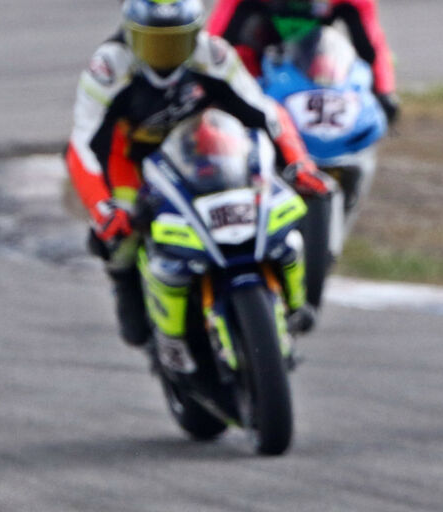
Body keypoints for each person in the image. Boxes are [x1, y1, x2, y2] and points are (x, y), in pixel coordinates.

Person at [68, 0, 332, 352]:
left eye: (176, 40)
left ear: (196, 33)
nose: (165, 53)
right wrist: (103, 207)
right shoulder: (108, 68)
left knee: (267, 195)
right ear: (131, 34)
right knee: (121, 236)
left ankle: (291, 302)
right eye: (153, 41)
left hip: (202, 144)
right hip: (131, 159)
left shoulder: (214, 55)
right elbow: (82, 146)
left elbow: (266, 112)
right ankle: (131, 297)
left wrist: (299, 163)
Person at [207, 0, 400, 127]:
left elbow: (372, 49)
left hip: (311, 61)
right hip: (258, 63)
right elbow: (212, 45)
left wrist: (385, 92)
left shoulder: (351, 3)